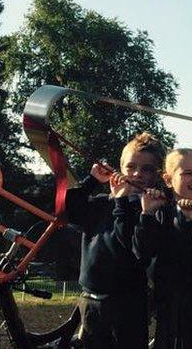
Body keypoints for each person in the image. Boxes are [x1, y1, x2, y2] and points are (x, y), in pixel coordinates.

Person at [66, 132, 167, 349]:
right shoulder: (102, 203)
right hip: (90, 300)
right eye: (131, 167)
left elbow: (132, 245)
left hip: (127, 305)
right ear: (120, 167)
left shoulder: (152, 211)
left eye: (147, 169)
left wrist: (123, 202)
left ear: (158, 174)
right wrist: (91, 181)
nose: (137, 174)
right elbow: (69, 212)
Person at [133, 148, 192, 349]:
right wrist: (147, 214)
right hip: (169, 314)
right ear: (167, 179)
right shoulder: (161, 213)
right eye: (187, 173)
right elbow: (142, 252)